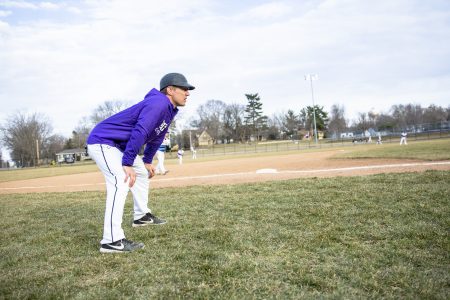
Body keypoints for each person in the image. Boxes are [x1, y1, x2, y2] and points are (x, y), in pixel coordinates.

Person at [87, 73, 195, 253]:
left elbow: (156, 137)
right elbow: (141, 131)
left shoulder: (168, 110)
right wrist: (128, 162)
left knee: (143, 174)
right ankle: (111, 241)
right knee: (120, 181)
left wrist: (146, 161)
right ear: (170, 90)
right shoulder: (158, 103)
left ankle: (141, 216)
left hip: (118, 146)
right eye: (184, 88)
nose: (187, 93)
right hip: (103, 141)